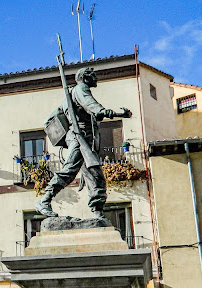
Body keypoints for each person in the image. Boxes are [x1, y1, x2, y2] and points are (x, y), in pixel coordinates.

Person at [36, 66, 132, 219]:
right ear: (85, 77)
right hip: (79, 137)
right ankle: (44, 200)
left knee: (95, 176)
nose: (96, 78)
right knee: (70, 171)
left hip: (84, 139)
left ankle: (97, 213)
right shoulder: (81, 89)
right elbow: (92, 106)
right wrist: (115, 113)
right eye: (93, 75)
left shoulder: (71, 93)